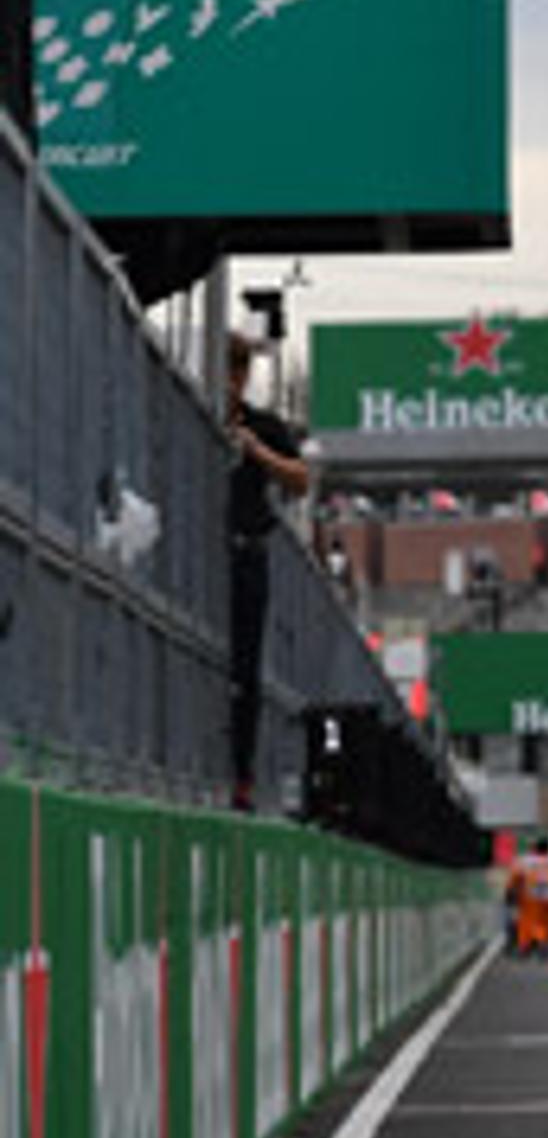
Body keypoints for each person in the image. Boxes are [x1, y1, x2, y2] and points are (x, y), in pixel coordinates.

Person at [221, 329, 312, 811]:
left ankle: (242, 775)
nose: (228, 384)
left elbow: (300, 479)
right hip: (200, 558)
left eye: (236, 373)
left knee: (246, 669)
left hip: (246, 553)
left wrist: (257, 452)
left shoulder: (262, 426)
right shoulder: (188, 410)